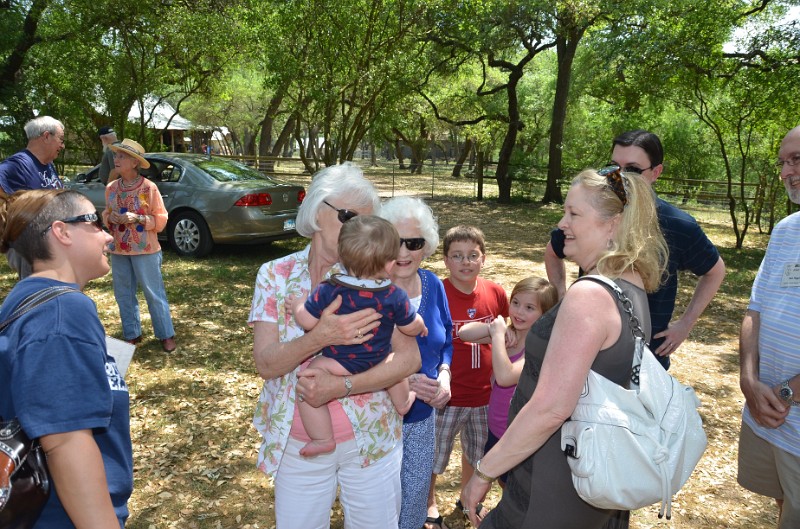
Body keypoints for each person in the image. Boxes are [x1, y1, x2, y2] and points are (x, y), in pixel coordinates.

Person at [460, 166, 668, 528]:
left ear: (613, 224)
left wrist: (483, 472)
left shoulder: (590, 295)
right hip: (593, 478)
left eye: (574, 214)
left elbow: (551, 408)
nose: (561, 223)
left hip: (553, 481)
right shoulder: (632, 284)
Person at [248, 162, 421, 528]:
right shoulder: (275, 275)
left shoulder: (377, 277)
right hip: (300, 446)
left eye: (369, 221)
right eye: (348, 216)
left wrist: (343, 386)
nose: (360, 231)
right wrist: (321, 337)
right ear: (315, 211)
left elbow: (408, 359)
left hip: (372, 441)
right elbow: (266, 364)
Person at [0, 188, 133, 527]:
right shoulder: (62, 310)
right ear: (61, 232)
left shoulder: (26, 302)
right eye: (94, 222)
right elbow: (66, 442)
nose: (106, 235)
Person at [544, 129, 725, 370]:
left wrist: (685, 324)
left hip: (644, 366)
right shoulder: (596, 212)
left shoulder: (679, 224)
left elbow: (715, 271)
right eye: (613, 167)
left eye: (632, 169)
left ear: (656, 172)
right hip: (586, 354)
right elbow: (553, 250)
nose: (619, 176)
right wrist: (561, 294)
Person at [291, 214, 427, 457]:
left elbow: (308, 321)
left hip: (340, 364)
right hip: (377, 360)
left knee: (307, 381)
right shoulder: (394, 295)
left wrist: (298, 305)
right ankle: (403, 402)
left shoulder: (329, 289)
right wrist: (420, 326)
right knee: (393, 369)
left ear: (342, 258)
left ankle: (322, 437)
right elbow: (409, 325)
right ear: (389, 264)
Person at [737, 125, 800, 529]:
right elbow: (754, 308)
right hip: (768, 416)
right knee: (783, 505)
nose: (785, 171)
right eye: (782, 162)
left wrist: (782, 394)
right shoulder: (786, 230)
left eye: (797, 160)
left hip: (778, 407)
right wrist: (748, 380)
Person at [379, 196, 454, 529]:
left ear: (426, 246)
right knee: (379, 501)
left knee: (414, 496)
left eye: (414, 242)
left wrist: (446, 375)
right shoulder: (369, 292)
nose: (404, 252)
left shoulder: (434, 285)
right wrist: (401, 379)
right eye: (395, 241)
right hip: (377, 415)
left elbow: (447, 340)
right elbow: (352, 358)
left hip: (424, 417)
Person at [427, 225, 509, 529]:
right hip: (447, 396)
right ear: (446, 260)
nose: (465, 262)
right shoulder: (438, 293)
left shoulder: (496, 293)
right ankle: (429, 502)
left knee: (478, 455)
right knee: (435, 455)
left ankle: (467, 499)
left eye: (472, 255)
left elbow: (505, 332)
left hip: (487, 395)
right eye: (457, 256)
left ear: (483, 259)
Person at [458, 277, 558, 487]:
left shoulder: (540, 347)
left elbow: (505, 377)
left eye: (530, 307)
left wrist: (496, 338)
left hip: (517, 433)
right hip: (496, 427)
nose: (519, 312)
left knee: (518, 487)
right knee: (503, 483)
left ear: (545, 313)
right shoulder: (508, 335)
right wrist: (496, 329)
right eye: (516, 303)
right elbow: (463, 333)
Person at [101, 138, 177, 353]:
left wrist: (139, 219)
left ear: (135, 162)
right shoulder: (111, 188)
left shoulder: (149, 188)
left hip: (146, 250)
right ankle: (132, 333)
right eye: (116, 155)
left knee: (154, 293)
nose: (116, 159)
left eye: (121, 156)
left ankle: (165, 334)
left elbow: (161, 219)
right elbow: (106, 213)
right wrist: (111, 218)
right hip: (119, 249)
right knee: (123, 292)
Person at [0, 116, 65, 278]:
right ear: (46, 136)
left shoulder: (47, 164)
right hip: (29, 246)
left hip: (50, 243)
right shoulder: (18, 164)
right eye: (61, 139)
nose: (62, 145)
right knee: (39, 292)